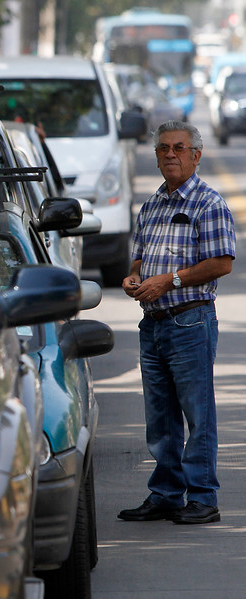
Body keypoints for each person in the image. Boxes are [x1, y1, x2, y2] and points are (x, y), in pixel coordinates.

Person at [118, 120, 236, 525]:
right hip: (152, 324)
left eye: (180, 148)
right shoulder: (152, 205)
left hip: (190, 321)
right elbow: (139, 258)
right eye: (164, 148)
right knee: (160, 415)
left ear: (196, 155)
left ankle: (203, 497)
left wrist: (169, 281)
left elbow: (221, 263)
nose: (171, 154)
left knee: (197, 414)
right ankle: (166, 493)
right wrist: (133, 278)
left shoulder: (208, 203)